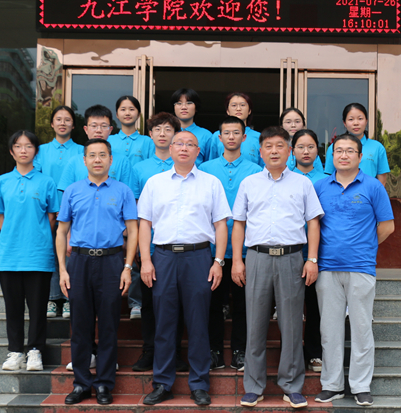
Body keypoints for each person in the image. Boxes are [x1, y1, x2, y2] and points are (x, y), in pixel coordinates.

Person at [231, 126, 324, 409]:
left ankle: (291, 386)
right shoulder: (249, 183)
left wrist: (312, 259)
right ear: (260, 152)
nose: (274, 151)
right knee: (255, 324)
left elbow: (313, 223)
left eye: (280, 146)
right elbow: (239, 224)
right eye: (268, 146)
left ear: (289, 151)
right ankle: (253, 386)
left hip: (291, 258)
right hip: (257, 257)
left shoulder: (302, 184)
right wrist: (237, 260)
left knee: (292, 325)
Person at [137, 131, 231, 406]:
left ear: (198, 151)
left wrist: (218, 261)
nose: (184, 148)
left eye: (190, 144)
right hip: (163, 257)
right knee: (164, 322)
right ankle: (162, 383)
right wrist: (146, 260)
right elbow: (144, 224)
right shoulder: (155, 183)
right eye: (179, 143)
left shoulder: (211, 183)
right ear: (170, 148)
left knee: (198, 322)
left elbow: (220, 225)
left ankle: (199, 384)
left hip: (198, 256)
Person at [314, 133, 394, 407]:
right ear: (331, 156)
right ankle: (332, 385)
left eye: (350, 151)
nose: (344, 155)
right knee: (330, 330)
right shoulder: (320, 186)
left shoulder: (373, 187)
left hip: (361, 267)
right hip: (326, 267)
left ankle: (361, 386)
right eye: (339, 151)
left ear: (360, 157)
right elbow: (312, 225)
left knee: (361, 328)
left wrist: (365, 246)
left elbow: (387, 226)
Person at [56, 138, 138, 406]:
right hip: (79, 262)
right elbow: (62, 232)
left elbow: (133, 230)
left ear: (111, 160)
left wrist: (127, 267)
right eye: (92, 155)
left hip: (112, 262)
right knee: (80, 326)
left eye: (103, 155)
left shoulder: (123, 191)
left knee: (109, 325)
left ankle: (104, 383)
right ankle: (81, 384)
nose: (97, 159)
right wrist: (63, 270)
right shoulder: (72, 190)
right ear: (84, 160)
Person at [0, 130, 58, 372]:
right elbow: (0, 215)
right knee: (13, 307)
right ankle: (15, 351)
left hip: (38, 254)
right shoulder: (1, 182)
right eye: (18, 146)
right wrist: (14, 235)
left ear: (35, 151)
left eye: (28, 146)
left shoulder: (47, 182)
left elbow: (52, 216)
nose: (23, 150)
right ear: (11, 151)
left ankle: (35, 351)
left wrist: (36, 236)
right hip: (8, 255)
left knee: (38, 308)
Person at [199, 116, 262, 372]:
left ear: (244, 137)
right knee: (212, 303)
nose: (232, 137)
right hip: (211, 249)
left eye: (236, 132)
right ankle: (214, 351)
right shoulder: (205, 169)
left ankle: (240, 351)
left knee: (243, 304)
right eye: (227, 133)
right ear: (219, 137)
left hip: (245, 249)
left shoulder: (255, 171)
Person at [129, 112, 188, 373]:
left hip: (180, 249)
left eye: (168, 129)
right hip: (150, 248)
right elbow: (135, 210)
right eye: (157, 129)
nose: (162, 134)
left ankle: (175, 353)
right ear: (150, 134)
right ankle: (149, 351)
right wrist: (139, 250)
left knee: (179, 304)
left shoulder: (187, 165)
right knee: (150, 304)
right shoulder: (140, 169)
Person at [34, 106, 83, 320]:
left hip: (76, 211)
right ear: (52, 124)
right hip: (48, 211)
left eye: (67, 119)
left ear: (74, 124)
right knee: (51, 253)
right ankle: (53, 298)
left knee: (71, 254)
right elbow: (36, 179)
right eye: (58, 119)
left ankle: (70, 298)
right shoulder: (41, 151)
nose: (63, 123)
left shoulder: (82, 151)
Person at [107, 95, 154, 319]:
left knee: (134, 254)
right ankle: (112, 299)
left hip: (137, 202)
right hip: (111, 204)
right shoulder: (109, 141)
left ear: (139, 113)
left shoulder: (147, 142)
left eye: (132, 109)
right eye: (123, 109)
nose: (127, 113)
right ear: (117, 114)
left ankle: (136, 302)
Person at [290, 129, 328, 374]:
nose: (306, 151)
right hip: (289, 252)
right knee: (290, 309)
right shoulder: (284, 177)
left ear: (318, 151)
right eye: (301, 147)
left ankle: (314, 352)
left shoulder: (327, 179)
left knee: (315, 306)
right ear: (292, 150)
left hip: (318, 253)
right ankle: (291, 355)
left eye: (311, 146)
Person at [57, 104, 132, 193]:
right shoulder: (74, 162)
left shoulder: (123, 161)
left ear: (110, 130)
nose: (98, 130)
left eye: (104, 126)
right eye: (94, 126)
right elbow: (66, 195)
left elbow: (127, 194)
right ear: (86, 129)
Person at [324, 103, 390, 187]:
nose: (356, 123)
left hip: (368, 193)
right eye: (351, 119)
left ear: (366, 121)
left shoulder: (377, 147)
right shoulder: (334, 147)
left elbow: (382, 182)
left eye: (360, 119)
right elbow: (329, 177)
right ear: (344, 123)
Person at [209, 92, 264, 166]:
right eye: (234, 105)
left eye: (242, 105)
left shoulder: (259, 137)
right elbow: (211, 164)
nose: (238, 109)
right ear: (227, 111)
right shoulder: (217, 136)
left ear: (249, 111)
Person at [171, 88, 212, 166]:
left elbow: (210, 164)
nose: (183, 107)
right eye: (179, 103)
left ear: (196, 107)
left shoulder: (206, 135)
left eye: (189, 103)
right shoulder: (167, 133)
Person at [279, 107, 324, 172]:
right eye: (288, 122)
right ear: (281, 126)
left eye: (297, 121)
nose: (293, 125)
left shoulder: (311, 151)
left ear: (303, 125)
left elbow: (319, 175)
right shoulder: (277, 148)